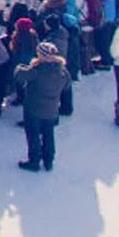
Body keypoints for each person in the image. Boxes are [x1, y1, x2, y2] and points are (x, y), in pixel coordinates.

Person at [12, 42, 70, 172]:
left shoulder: (37, 71)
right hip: (52, 109)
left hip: (34, 109)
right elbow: (67, 86)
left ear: (42, 56)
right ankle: (49, 160)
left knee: (33, 135)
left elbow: (19, 75)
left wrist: (23, 66)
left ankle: (34, 161)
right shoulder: (62, 71)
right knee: (48, 134)